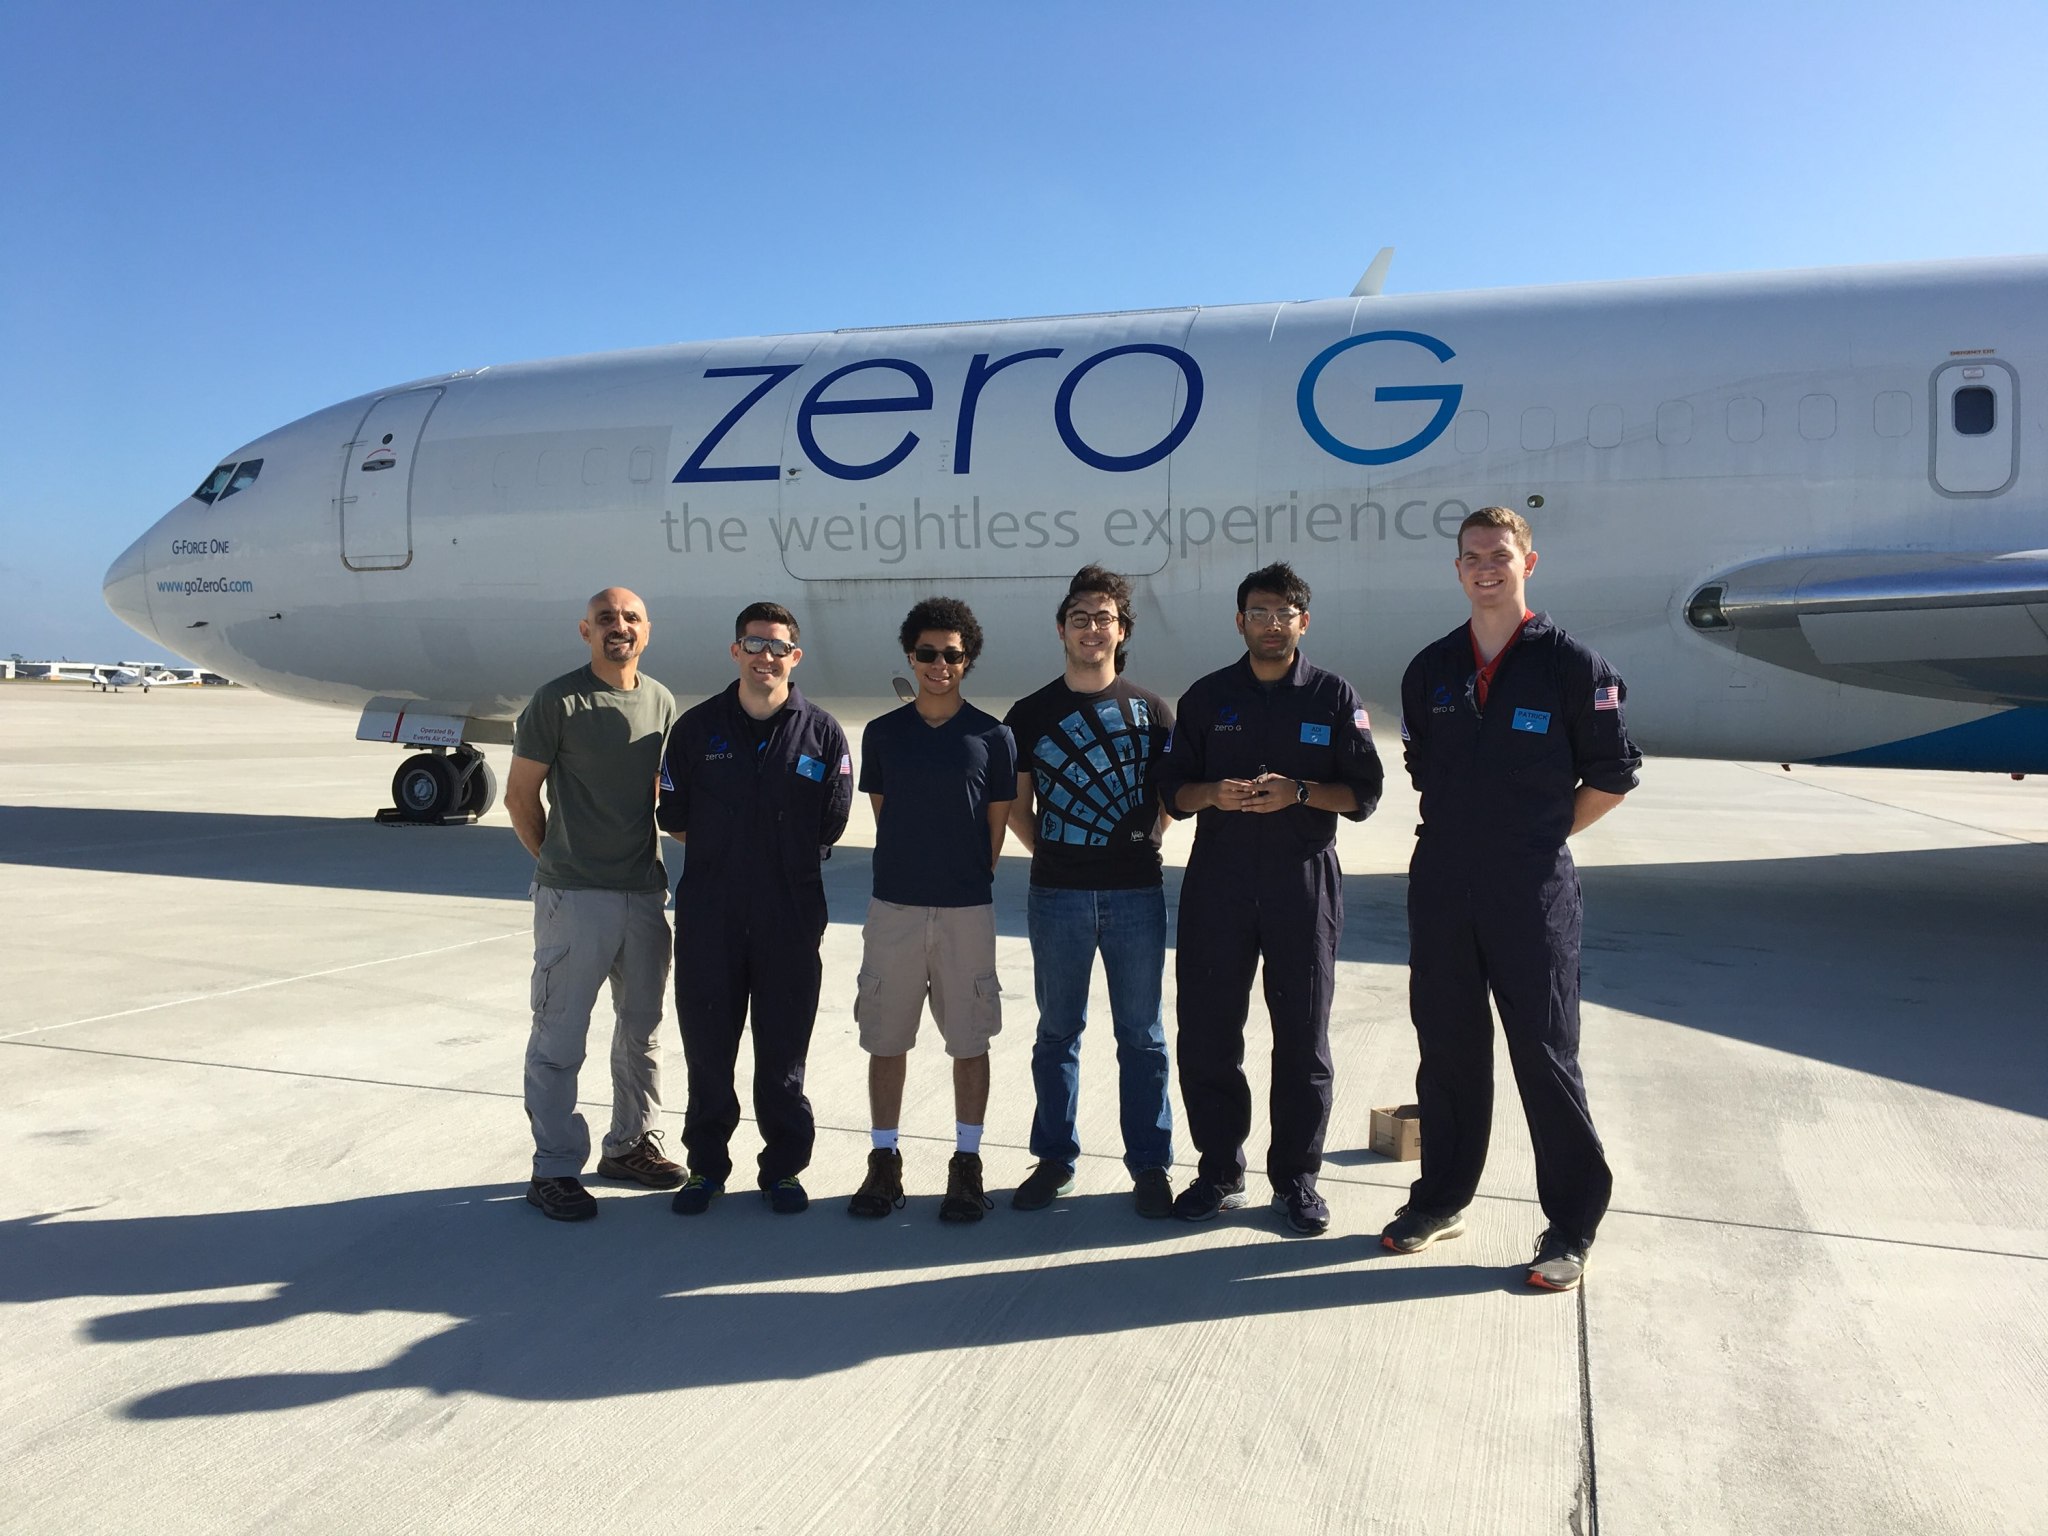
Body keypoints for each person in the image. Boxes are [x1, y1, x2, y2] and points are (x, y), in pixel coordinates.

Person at [1380, 507, 1640, 1291]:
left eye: (1500, 555)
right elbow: (1425, 766)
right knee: (1449, 1050)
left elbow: (1612, 774)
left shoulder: (1572, 666)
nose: (1485, 568)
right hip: (1444, 883)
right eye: (1471, 557)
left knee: (1545, 1054)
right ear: (1457, 570)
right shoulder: (1431, 669)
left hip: (1531, 889)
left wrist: (1538, 835)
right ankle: (1440, 1199)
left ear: (1530, 561)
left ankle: (1571, 1224)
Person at [1155, 562, 1383, 1234]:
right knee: (1206, 1035)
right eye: (1259, 612)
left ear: (1303, 622)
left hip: (1301, 881)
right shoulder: (1206, 698)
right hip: (1219, 883)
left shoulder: (1334, 697)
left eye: (1285, 613)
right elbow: (1173, 790)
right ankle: (1220, 1172)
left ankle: (1296, 1182)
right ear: (1240, 622)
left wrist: (1302, 793)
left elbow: (1364, 796)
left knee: (1303, 1041)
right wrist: (1211, 793)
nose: (1272, 624)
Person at [656, 602, 852, 1216]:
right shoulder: (695, 729)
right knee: (708, 1048)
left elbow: (833, 818)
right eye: (754, 643)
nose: (766, 656)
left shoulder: (822, 732)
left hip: (790, 917)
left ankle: (784, 1170)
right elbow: (674, 815)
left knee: (783, 1051)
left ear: (795, 657)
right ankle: (705, 1168)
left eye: (778, 647)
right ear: (735, 651)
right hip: (710, 917)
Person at [1003, 565, 1176, 1216]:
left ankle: (1151, 1168)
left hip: (1135, 894)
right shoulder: (1031, 714)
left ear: (1121, 630)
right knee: (1057, 1033)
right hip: (1058, 895)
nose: (1092, 628)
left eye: (1105, 618)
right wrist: (1054, 851)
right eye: (1080, 617)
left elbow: (1164, 800)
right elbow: (1020, 808)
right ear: (1061, 628)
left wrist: (1137, 842)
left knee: (1143, 1036)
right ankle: (1054, 1160)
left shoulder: (1153, 710)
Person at [507, 587, 683, 1221]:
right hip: (575, 897)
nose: (619, 627)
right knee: (559, 1038)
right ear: (585, 630)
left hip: (643, 895)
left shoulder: (661, 701)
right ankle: (554, 1167)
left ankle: (631, 1145)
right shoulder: (557, 700)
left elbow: (667, 799)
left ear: (647, 630)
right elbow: (520, 796)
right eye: (606, 618)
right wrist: (558, 866)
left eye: (630, 618)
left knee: (642, 1033)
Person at [849, 597, 1017, 1223]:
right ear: (910, 657)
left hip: (966, 911)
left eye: (951, 655)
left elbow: (994, 832)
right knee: (886, 1039)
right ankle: (884, 1162)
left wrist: (957, 880)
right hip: (893, 908)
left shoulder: (992, 737)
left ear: (966, 660)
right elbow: (885, 814)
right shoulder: (883, 734)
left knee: (969, 1041)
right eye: (927, 654)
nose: (938, 665)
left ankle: (967, 1165)